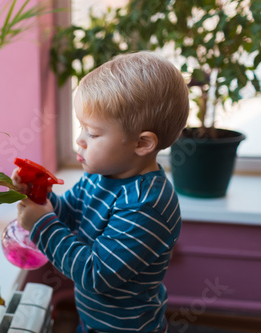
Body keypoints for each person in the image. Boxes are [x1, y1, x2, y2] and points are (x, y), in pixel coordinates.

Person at [13, 51, 189, 332]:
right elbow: (71, 216)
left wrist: (41, 225)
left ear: (142, 143)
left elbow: (95, 273)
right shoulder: (102, 176)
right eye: (81, 127)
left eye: (92, 133)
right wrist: (40, 195)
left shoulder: (147, 205)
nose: (79, 141)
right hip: (93, 321)